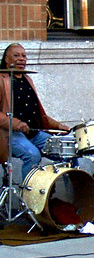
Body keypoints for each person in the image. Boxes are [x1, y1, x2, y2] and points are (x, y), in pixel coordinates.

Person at [0, 42, 69, 175]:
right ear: (6, 59)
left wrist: (59, 126)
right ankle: (29, 195)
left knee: (66, 150)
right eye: (16, 55)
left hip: (33, 133)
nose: (21, 59)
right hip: (9, 134)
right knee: (32, 155)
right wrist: (17, 124)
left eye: (24, 56)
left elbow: (39, 114)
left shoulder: (28, 79)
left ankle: (73, 192)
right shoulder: (2, 79)